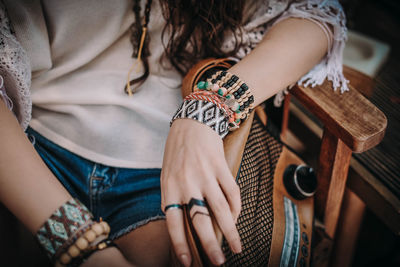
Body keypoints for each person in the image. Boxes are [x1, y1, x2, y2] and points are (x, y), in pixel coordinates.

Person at [0, 0, 347, 266]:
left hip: (169, 164)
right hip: (29, 146)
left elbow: (315, 14)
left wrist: (207, 111)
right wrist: (79, 243)